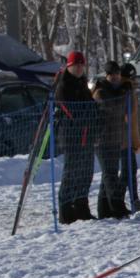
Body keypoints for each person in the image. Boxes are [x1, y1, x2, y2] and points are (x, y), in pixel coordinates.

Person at [55, 51, 95, 224]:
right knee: (71, 173)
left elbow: (92, 106)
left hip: (87, 135)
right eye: (75, 65)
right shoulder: (63, 86)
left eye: (81, 65)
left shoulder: (83, 83)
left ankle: (82, 207)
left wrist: (94, 116)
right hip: (71, 136)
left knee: (86, 172)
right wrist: (88, 115)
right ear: (69, 66)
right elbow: (72, 112)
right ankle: (66, 210)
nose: (79, 68)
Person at [91, 61, 131, 219]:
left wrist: (125, 92)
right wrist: (123, 94)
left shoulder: (120, 90)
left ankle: (104, 210)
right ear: (106, 76)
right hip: (102, 140)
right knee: (110, 175)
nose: (115, 77)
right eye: (112, 74)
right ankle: (117, 206)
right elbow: (112, 110)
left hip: (115, 138)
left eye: (117, 74)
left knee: (108, 175)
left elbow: (126, 111)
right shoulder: (100, 92)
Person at [120, 63, 140, 212]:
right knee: (128, 171)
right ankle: (121, 201)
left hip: (126, 138)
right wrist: (136, 141)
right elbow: (130, 121)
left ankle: (133, 200)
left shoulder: (128, 91)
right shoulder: (126, 93)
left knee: (130, 170)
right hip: (124, 140)